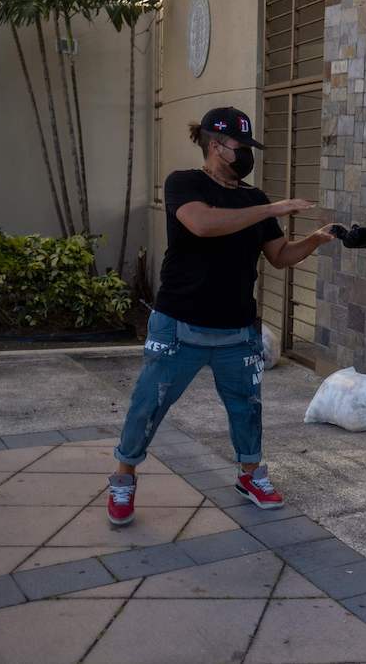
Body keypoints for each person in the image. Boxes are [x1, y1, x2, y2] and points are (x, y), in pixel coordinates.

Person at [107, 106, 337, 526]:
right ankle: (124, 477)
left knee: (247, 409)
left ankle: (250, 476)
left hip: (237, 330)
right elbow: (202, 224)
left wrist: (317, 240)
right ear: (215, 145)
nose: (247, 154)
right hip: (179, 325)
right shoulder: (185, 183)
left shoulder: (253, 197)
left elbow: (280, 256)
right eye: (240, 146)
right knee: (147, 404)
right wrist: (272, 210)